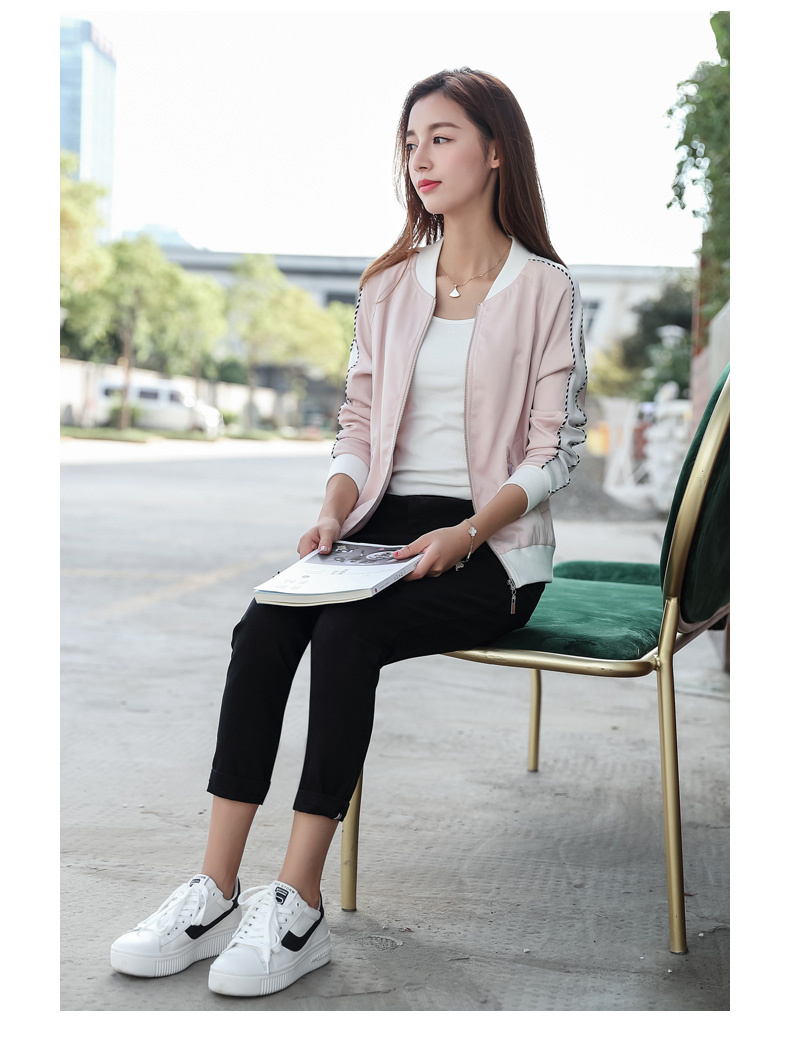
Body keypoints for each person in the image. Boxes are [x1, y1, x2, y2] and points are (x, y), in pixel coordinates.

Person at [109, 66, 586, 999]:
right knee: (262, 626)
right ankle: (213, 888)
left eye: (441, 137)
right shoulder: (388, 286)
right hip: (377, 527)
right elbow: (358, 427)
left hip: (492, 547)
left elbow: (555, 450)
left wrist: (466, 532)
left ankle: (297, 903)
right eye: (410, 143)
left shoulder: (547, 290)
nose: (420, 159)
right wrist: (334, 505)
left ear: (496, 151)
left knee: (346, 635)